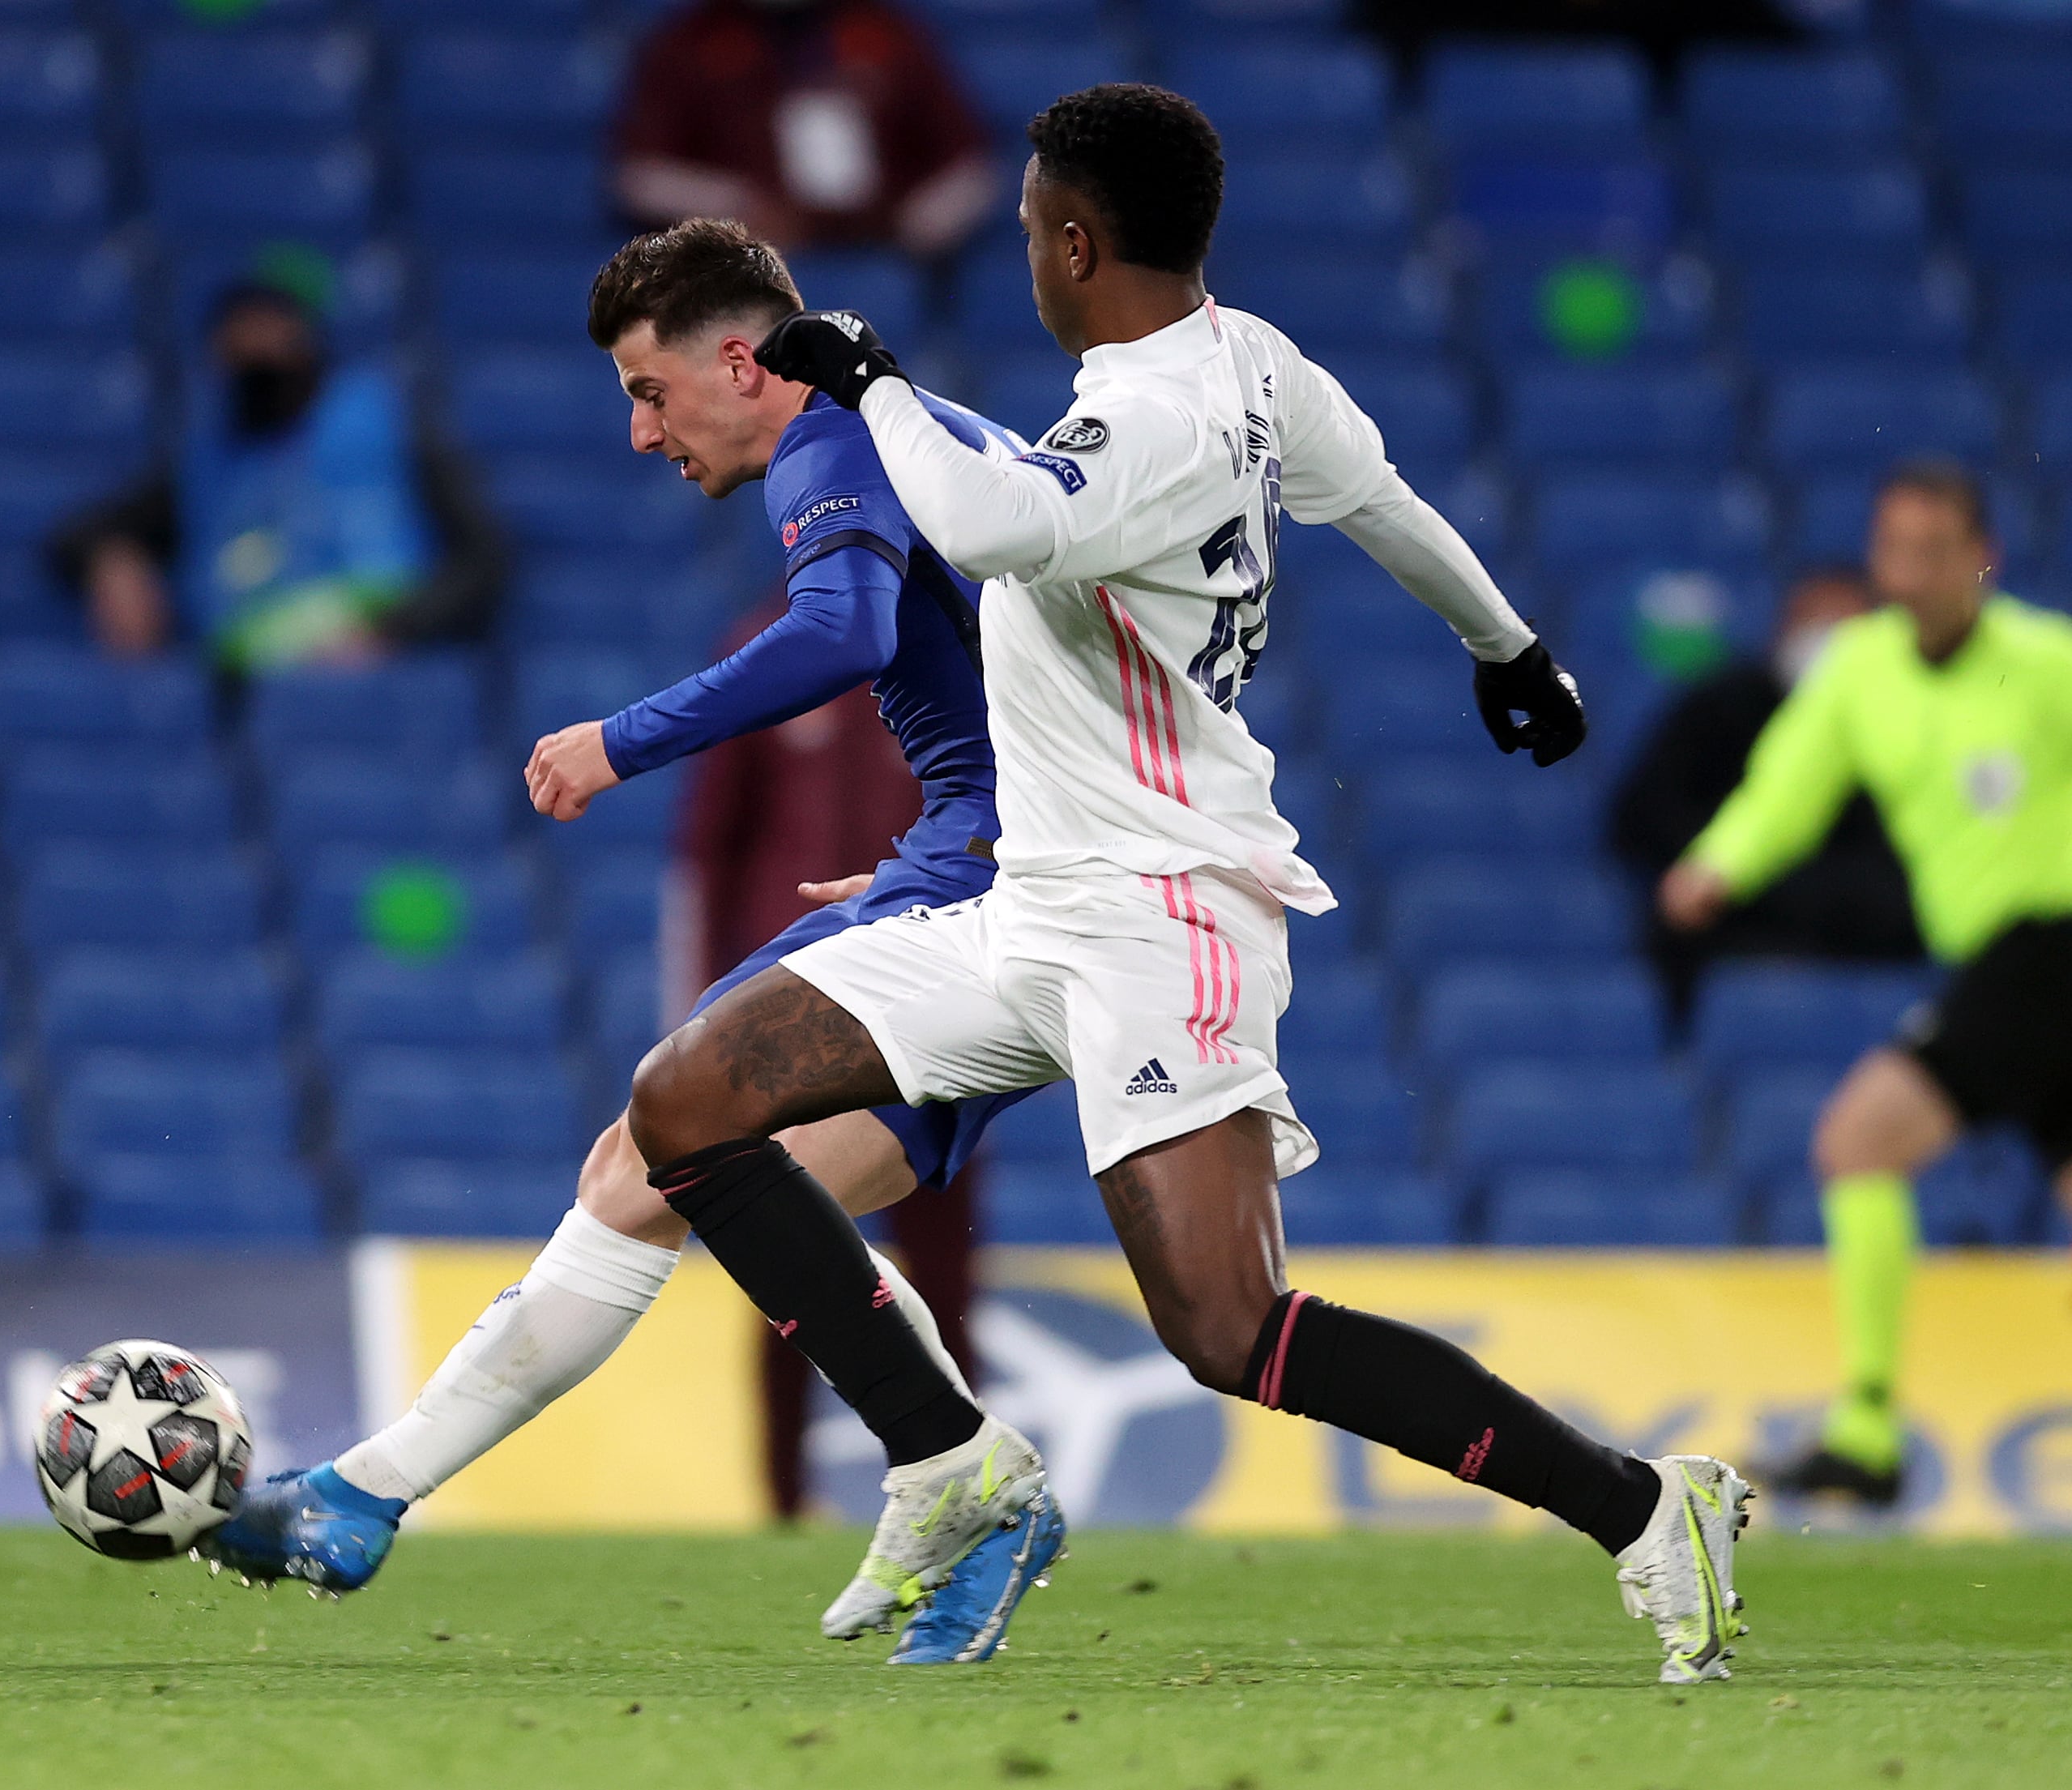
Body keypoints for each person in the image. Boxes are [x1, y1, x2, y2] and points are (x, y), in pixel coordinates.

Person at [730, 82, 1750, 1685]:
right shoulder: (1252, 364)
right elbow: (1384, 501)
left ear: (1075, 242)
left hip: (1159, 914)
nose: (1020, 253)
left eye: (1023, 231)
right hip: (1032, 907)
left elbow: (990, 525)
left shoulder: (1147, 418)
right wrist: (1510, 649)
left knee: (1225, 1333)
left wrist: (869, 381)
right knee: (690, 1108)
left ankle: (1637, 1507)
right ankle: (946, 1461)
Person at [207, 220, 1064, 1665]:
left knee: (659, 1148)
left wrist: (623, 736)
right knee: (732, 1188)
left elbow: (844, 631)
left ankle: (363, 1490)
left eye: (649, 390)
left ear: (745, 359)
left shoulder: (835, 437)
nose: (637, 431)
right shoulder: (916, 426)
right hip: (1034, 869)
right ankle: (973, 1480)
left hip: (1007, 876)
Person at [1658, 462, 2072, 1511]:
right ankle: (1867, 1431)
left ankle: (1867, 1428)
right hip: (1998, 967)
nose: (1912, 572)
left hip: (2050, 948)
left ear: (1983, 557)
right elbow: (1786, 788)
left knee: (1858, 1140)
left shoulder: (2044, 664)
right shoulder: (1857, 672)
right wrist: (1718, 861)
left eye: (1935, 551)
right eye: (1894, 550)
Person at [669, 608, 984, 1519]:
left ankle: (962, 1477)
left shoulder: (952, 643)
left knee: (948, 1259)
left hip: (942, 990)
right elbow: (707, 852)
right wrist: (701, 1020)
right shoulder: (764, 645)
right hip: (794, 1011)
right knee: (787, 1248)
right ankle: (784, 1499)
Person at [45, 277, 502, 669]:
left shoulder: (388, 431)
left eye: (274, 342)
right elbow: (76, 537)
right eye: (240, 350)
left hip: (382, 681)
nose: (258, 364)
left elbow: (483, 557)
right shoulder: (209, 465)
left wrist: (393, 631)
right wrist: (111, 559)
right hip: (247, 696)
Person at [1610, 566, 1923, 1027]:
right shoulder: (1718, 708)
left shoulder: (1904, 733)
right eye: (1817, 622)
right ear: (1783, 627)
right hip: (1729, 937)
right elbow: (1643, 820)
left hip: (1854, 954)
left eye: (1851, 628)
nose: (1830, 643)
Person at [613, 0, 995, 259]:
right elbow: (639, 176)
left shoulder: (890, 37)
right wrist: (735, 208)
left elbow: (970, 167)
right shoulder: (690, 43)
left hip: (877, 266)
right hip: (737, 271)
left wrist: (912, 226)